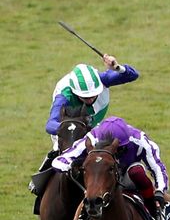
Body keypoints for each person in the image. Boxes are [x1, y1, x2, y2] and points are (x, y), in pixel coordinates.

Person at [29, 54, 139, 195]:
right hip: (70, 130)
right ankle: (41, 182)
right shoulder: (64, 95)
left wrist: (116, 67)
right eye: (85, 97)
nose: (90, 99)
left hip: (94, 127)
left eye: (93, 95)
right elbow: (50, 125)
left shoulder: (102, 80)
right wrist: (71, 129)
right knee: (62, 150)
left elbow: (133, 75)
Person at [53, 117, 169, 220]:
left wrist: (160, 190)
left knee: (137, 172)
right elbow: (60, 160)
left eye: (119, 150)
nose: (115, 152)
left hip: (128, 174)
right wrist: (75, 165)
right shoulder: (92, 138)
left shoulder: (139, 139)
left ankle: (154, 213)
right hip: (102, 175)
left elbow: (157, 167)